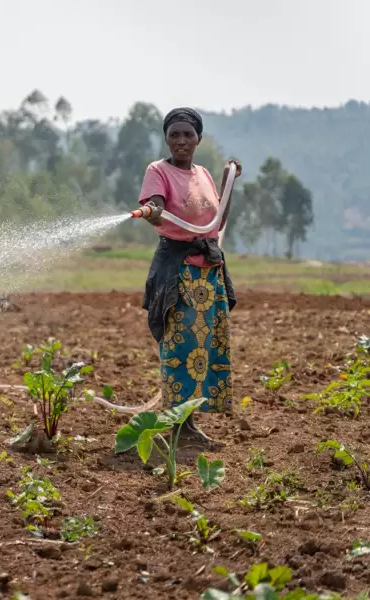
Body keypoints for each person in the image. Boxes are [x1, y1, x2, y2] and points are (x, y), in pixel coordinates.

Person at [138, 107, 241, 446]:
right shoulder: (158, 170)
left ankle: (190, 426)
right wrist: (153, 210)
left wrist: (229, 184)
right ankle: (179, 428)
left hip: (209, 273)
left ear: (198, 138)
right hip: (179, 273)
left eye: (187, 135)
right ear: (166, 139)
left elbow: (217, 222)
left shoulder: (204, 175)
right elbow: (155, 205)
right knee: (181, 348)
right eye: (174, 135)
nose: (181, 141)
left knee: (206, 347)